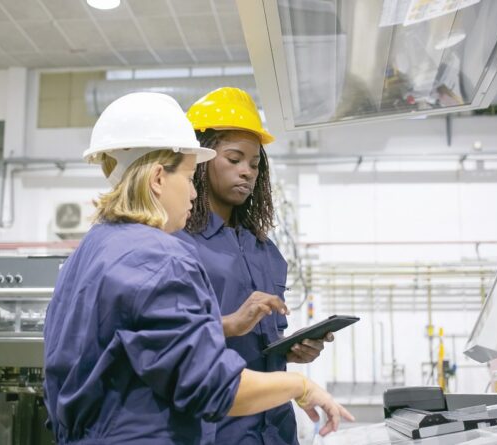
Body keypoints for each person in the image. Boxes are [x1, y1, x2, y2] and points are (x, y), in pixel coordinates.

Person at [43, 92, 352, 445]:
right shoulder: (158, 256)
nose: (193, 193)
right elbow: (211, 386)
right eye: (191, 177)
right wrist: (301, 386)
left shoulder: (91, 250)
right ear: (158, 178)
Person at [181, 87, 335, 445]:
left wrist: (294, 348)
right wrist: (231, 324)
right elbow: (169, 340)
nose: (246, 172)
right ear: (200, 161)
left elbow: (267, 342)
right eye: (234, 159)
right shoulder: (177, 245)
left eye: (254, 164)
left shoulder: (266, 251)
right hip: (216, 428)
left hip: (274, 429)